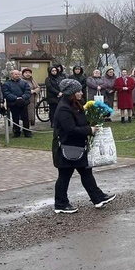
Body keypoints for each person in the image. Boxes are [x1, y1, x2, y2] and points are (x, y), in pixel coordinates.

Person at [52, 79, 116, 214]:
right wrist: (89, 130)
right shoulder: (64, 108)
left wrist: (97, 117)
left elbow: (82, 120)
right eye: (78, 91)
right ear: (71, 93)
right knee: (64, 176)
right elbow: (70, 129)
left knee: (86, 172)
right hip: (67, 148)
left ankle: (98, 198)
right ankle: (60, 203)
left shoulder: (75, 104)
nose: (81, 93)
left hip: (78, 147)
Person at [2, 69, 31, 138]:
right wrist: (15, 98)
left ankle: (26, 131)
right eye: (15, 74)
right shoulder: (6, 84)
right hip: (13, 104)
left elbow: (28, 92)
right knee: (15, 118)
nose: (17, 75)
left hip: (23, 103)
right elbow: (6, 93)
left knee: (25, 118)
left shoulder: (24, 83)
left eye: (18, 74)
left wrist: (22, 98)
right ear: (11, 75)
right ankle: (16, 132)